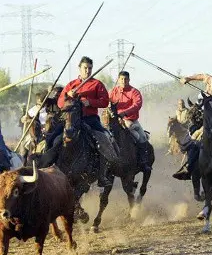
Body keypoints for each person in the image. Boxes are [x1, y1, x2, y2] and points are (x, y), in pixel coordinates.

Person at [47, 56, 114, 187]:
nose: (87, 71)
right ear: (79, 68)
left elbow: (105, 101)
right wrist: (68, 96)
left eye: (90, 68)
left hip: (90, 119)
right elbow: (60, 103)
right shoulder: (71, 85)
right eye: (85, 68)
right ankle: (45, 166)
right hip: (71, 120)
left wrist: (90, 102)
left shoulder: (97, 84)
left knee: (103, 140)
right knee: (52, 138)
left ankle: (102, 174)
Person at [109, 71, 152, 173]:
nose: (123, 81)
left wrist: (125, 113)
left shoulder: (134, 92)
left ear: (129, 80)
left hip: (131, 121)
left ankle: (143, 162)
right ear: (118, 80)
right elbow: (106, 102)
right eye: (121, 79)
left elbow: (137, 105)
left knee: (142, 138)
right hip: (114, 121)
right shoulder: (113, 91)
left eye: (126, 79)